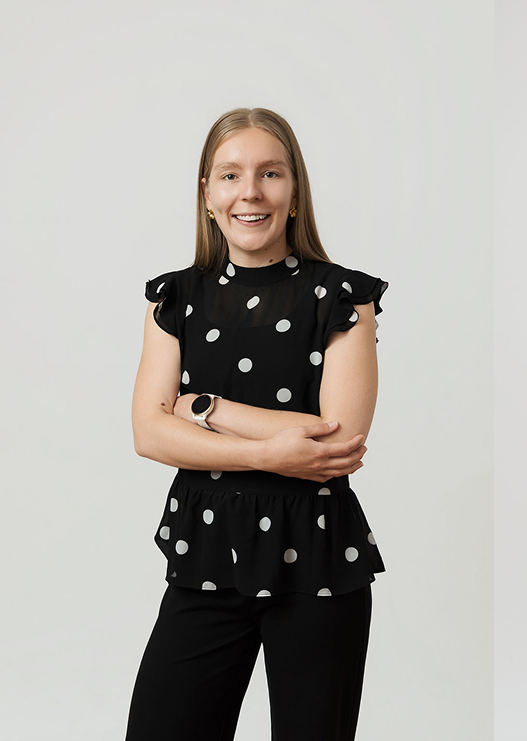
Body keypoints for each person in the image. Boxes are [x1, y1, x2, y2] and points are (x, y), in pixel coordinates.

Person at [126, 107, 387, 741]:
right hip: (205, 553)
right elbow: (148, 434)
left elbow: (333, 437)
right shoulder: (175, 300)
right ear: (207, 194)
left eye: (270, 174)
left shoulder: (344, 299)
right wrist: (273, 452)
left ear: (294, 194)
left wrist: (206, 408)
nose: (251, 192)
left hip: (318, 558)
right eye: (230, 175)